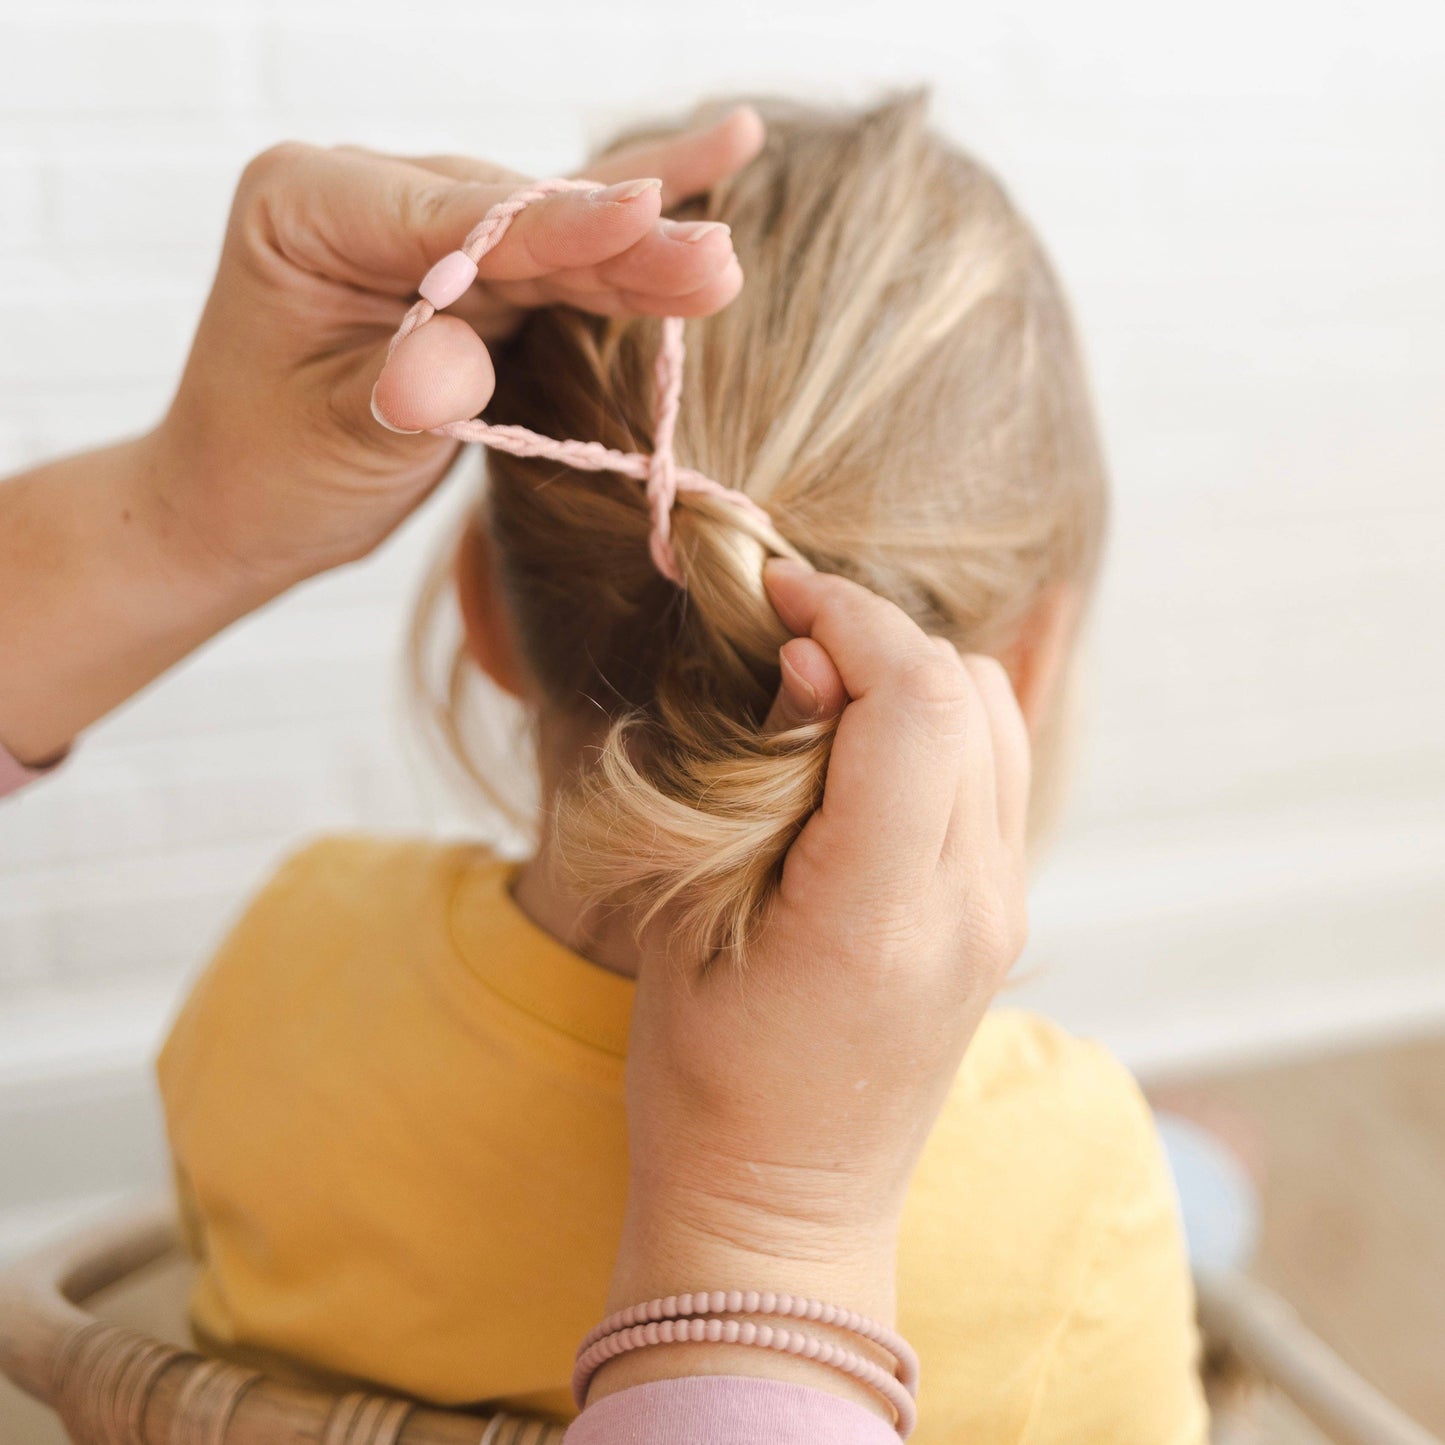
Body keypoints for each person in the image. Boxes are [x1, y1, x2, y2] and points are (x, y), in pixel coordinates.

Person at [152, 95, 1207, 1442]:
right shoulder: (1070, 1169)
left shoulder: (289, 946)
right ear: (1026, 662)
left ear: (481, 607)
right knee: (1198, 1177)